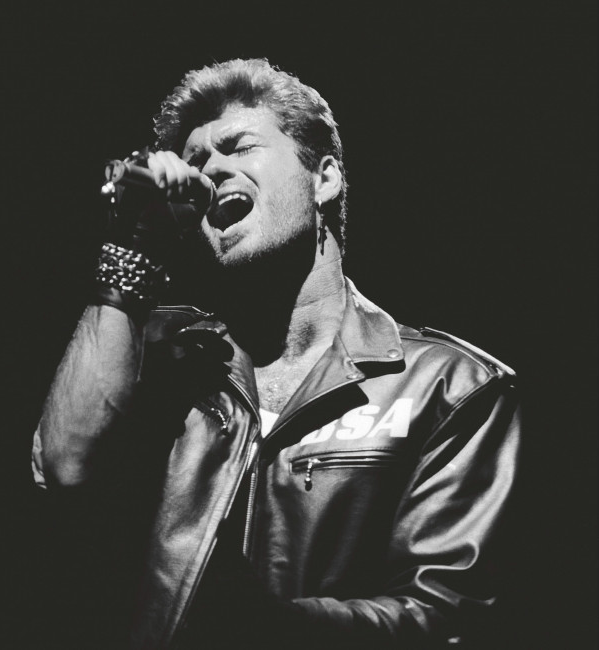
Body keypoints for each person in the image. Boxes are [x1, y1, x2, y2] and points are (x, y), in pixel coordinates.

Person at [32, 58, 521, 650]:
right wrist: (134, 244)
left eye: (239, 147)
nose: (211, 170)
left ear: (325, 179)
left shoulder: (448, 386)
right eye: (195, 161)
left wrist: (260, 624)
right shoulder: (155, 354)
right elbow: (67, 467)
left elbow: (446, 615)